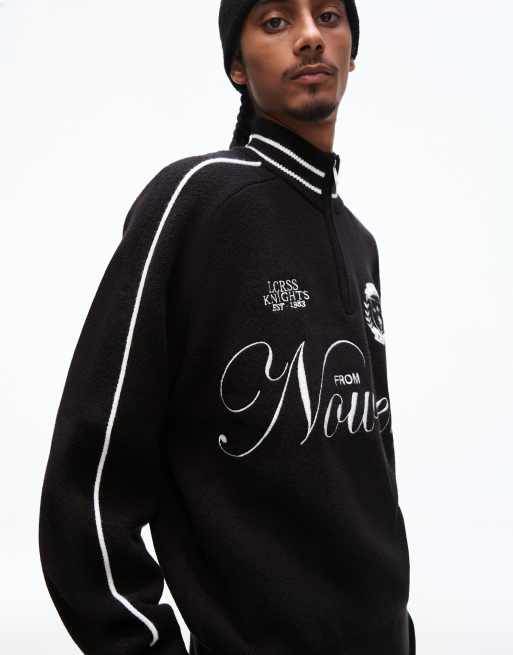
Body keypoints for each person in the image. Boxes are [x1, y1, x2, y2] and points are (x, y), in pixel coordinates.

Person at [38, 1, 416, 653]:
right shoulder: (196, 200)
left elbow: (372, 467)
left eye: (329, 16)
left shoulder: (361, 244)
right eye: (276, 22)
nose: (309, 37)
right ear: (237, 66)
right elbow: (90, 477)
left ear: (352, 52)